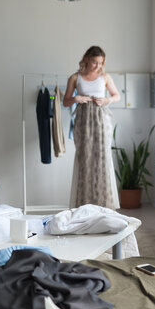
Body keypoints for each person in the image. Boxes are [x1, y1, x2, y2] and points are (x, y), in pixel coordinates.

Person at [63, 46, 121, 209]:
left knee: (102, 157)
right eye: (94, 62)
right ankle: (83, 201)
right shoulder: (75, 77)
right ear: (87, 59)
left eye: (100, 63)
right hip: (83, 120)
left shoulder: (105, 77)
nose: (97, 66)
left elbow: (117, 95)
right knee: (85, 157)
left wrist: (106, 100)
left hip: (101, 118)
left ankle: (103, 202)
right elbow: (65, 101)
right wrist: (76, 98)